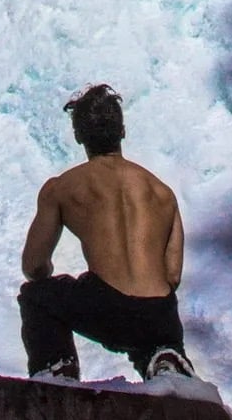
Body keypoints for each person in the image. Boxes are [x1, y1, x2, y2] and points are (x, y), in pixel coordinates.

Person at [18, 84, 195, 382]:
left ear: (78, 136)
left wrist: (52, 276)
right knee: (158, 337)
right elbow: (172, 276)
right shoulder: (163, 193)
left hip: (108, 306)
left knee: (37, 296)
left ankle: (57, 372)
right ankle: (163, 357)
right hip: (161, 315)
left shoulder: (61, 188)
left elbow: (33, 267)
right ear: (122, 131)